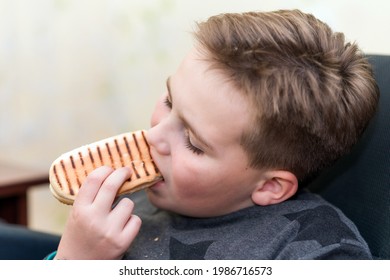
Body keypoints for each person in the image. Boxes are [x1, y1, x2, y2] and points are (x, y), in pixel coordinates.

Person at [48, 9, 379, 260]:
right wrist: (72, 257)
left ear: (270, 186)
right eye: (168, 101)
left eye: (193, 142)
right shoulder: (131, 199)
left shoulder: (317, 255)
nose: (155, 137)